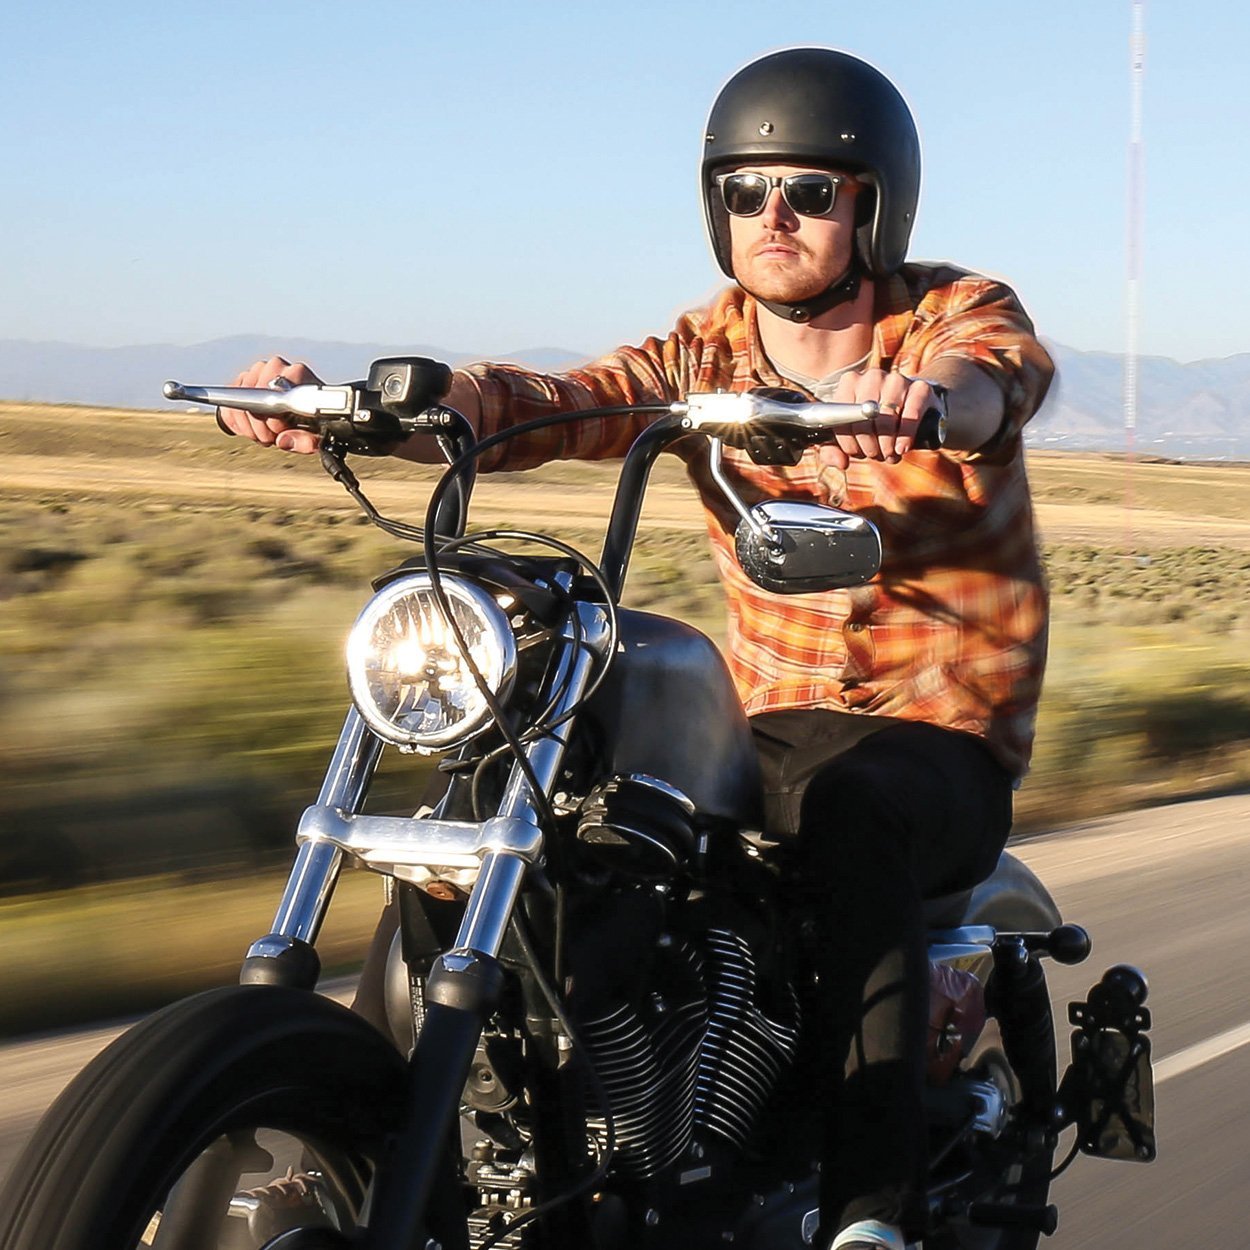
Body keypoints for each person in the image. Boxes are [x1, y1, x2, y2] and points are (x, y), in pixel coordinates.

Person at [221, 47, 1053, 1250]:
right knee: (516, 796)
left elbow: (996, 378)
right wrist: (374, 407)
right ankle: (414, 1143)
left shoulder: (949, 317)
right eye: (745, 191)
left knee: (852, 815)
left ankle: (871, 1211)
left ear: (873, 206)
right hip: (767, 726)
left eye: (808, 191)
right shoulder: (700, 350)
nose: (773, 217)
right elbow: (553, 401)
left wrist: (926, 399)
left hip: (935, 735)